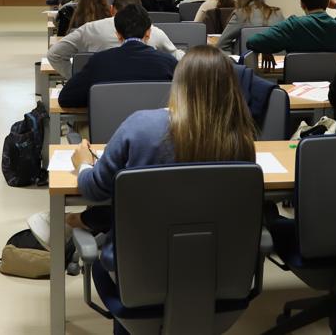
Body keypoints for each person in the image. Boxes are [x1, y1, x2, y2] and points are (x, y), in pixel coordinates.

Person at [71, 46, 255, 302]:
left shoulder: (142, 126)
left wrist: (82, 164)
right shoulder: (241, 140)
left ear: (178, 84)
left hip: (138, 273)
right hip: (219, 274)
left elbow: (94, 188)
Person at [58, 5, 179, 109]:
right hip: (156, 134)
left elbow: (66, 98)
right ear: (148, 32)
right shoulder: (169, 63)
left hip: (106, 134)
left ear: (118, 35)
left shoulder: (99, 62)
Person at [46, 0, 184, 79]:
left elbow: (54, 54)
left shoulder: (90, 29)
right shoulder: (155, 32)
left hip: (101, 106)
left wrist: (76, 77)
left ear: (112, 10)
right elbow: (180, 59)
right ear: (140, 10)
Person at [217, 0, 286, 53]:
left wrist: (233, 58)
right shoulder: (277, 12)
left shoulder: (241, 14)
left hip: (249, 61)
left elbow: (222, 44)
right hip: (278, 61)